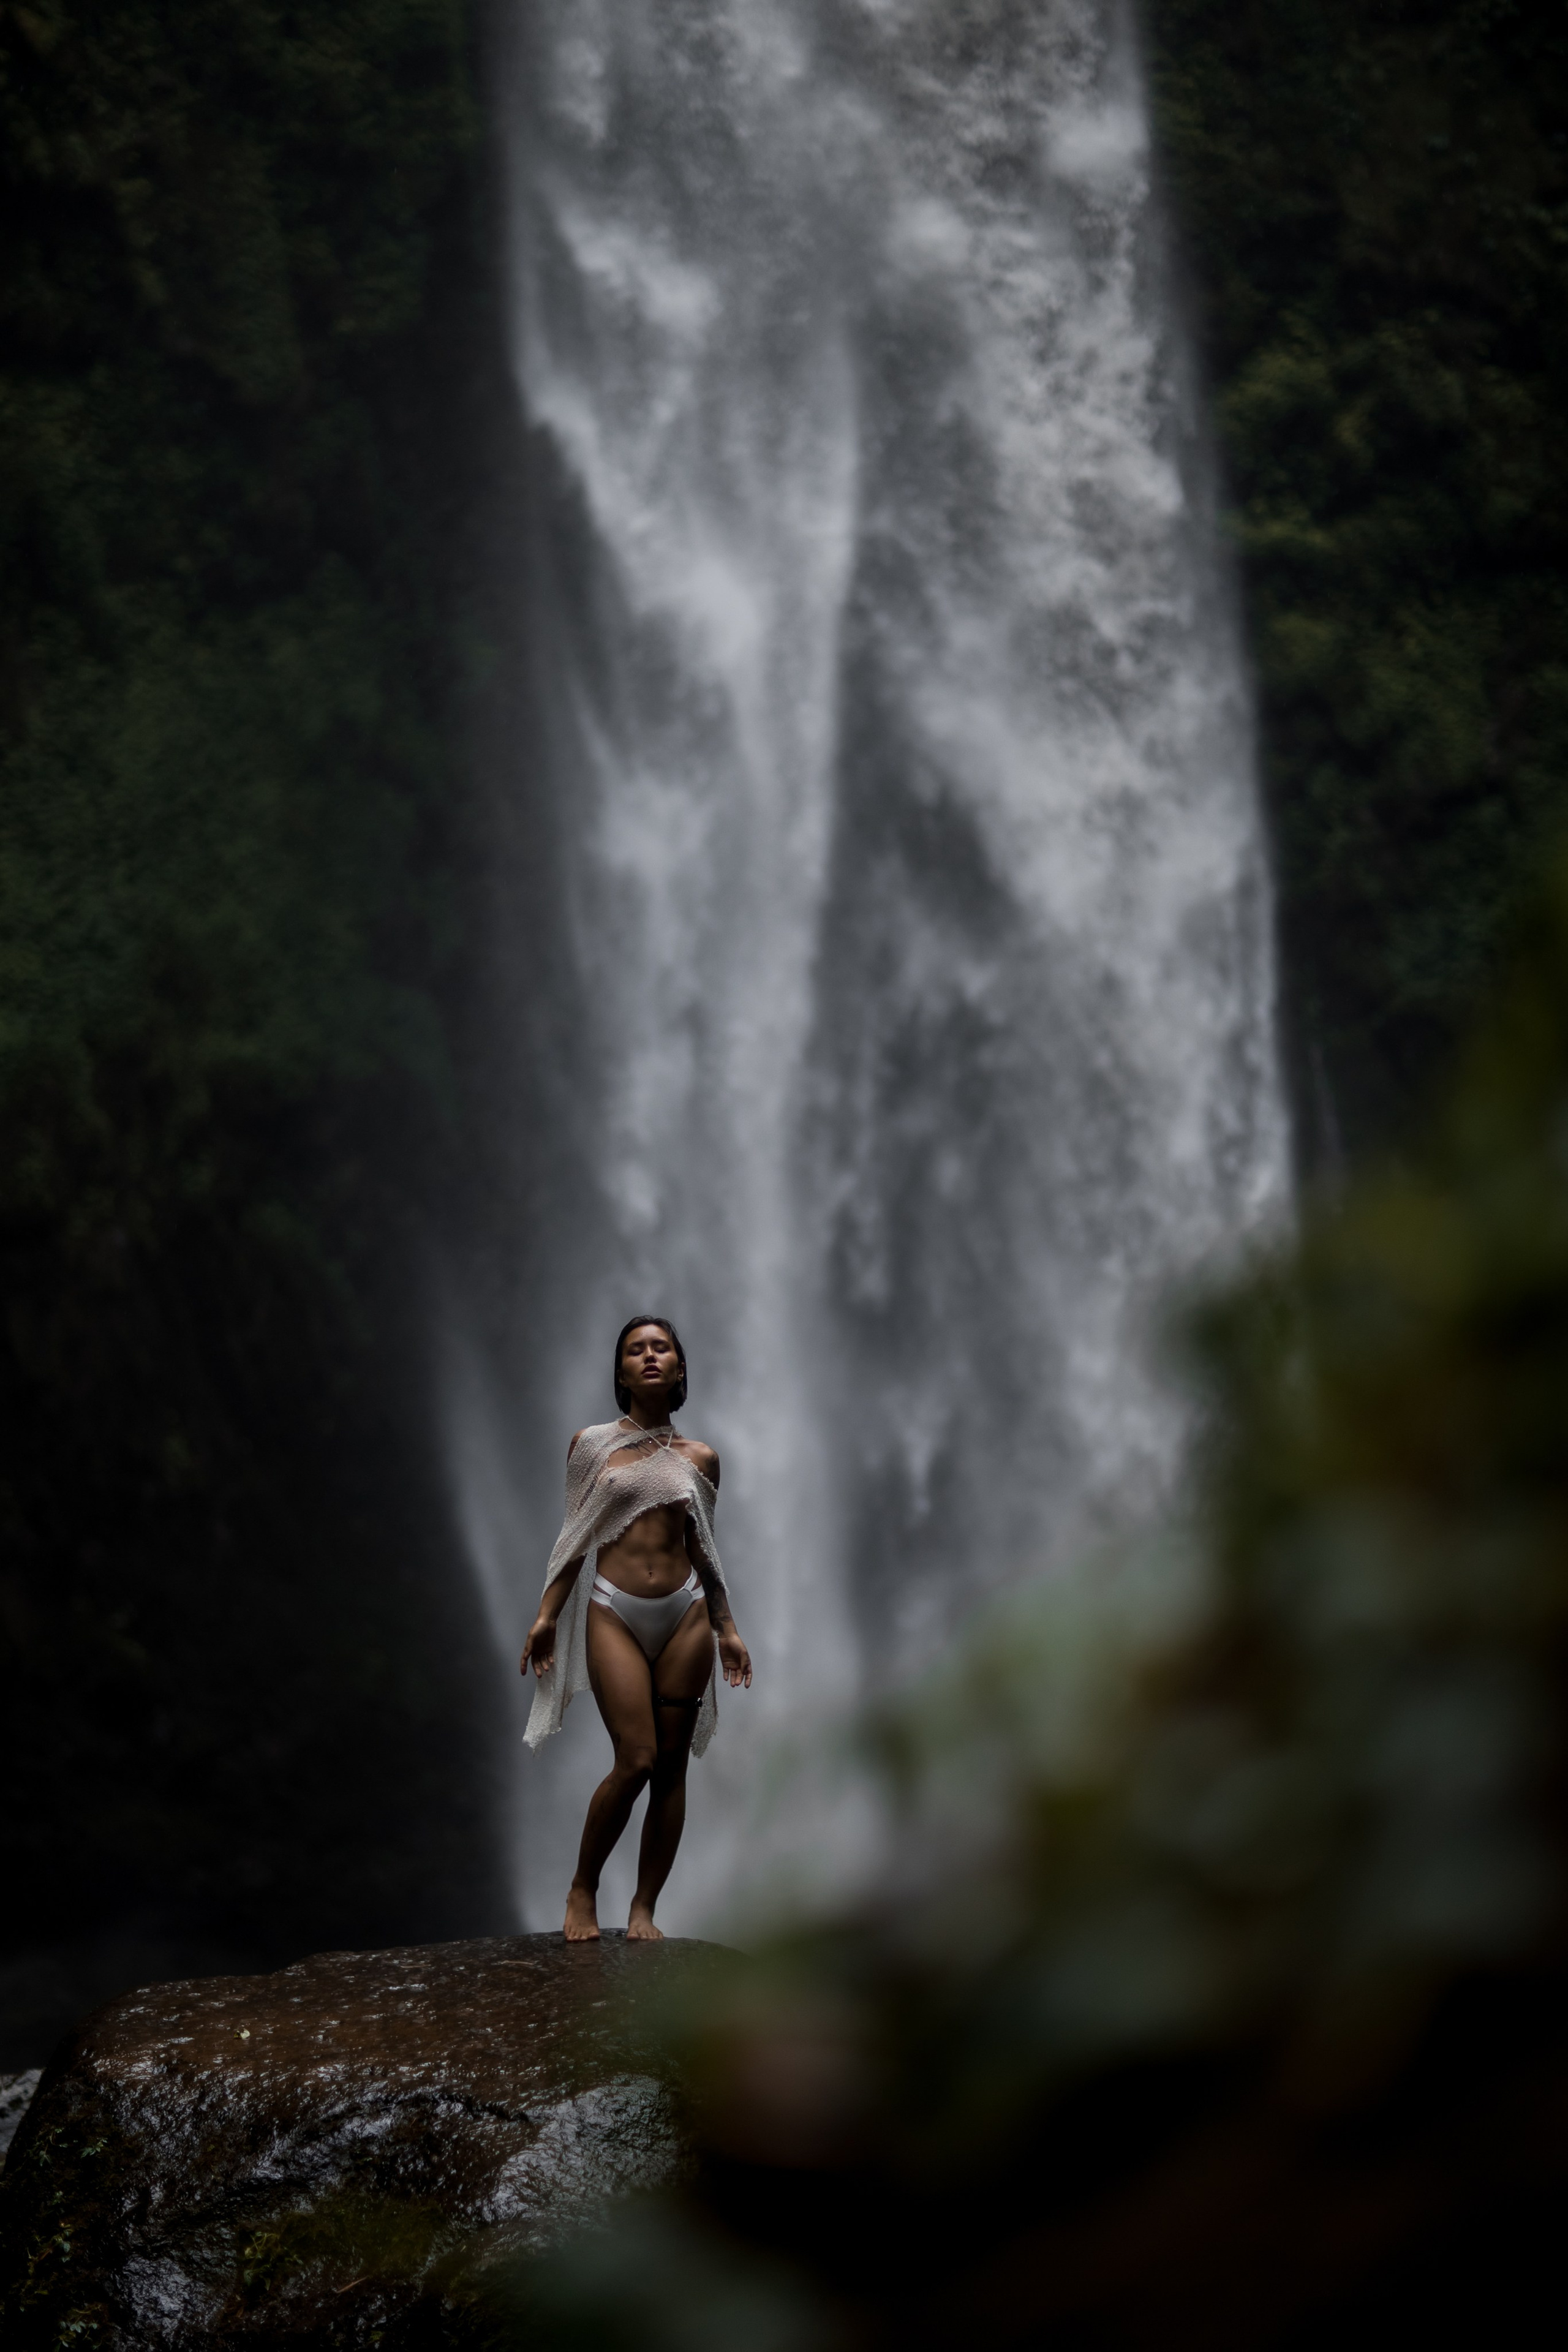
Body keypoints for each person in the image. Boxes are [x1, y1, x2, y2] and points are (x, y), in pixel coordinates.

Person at [520, 1317, 753, 1940]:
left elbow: (703, 1549)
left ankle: (645, 1908)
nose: (649, 1356)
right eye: (635, 1350)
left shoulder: (701, 1459)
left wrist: (727, 1628)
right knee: (637, 1759)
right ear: (620, 1371)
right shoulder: (591, 1448)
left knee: (672, 1768)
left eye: (662, 1348)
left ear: (679, 1368)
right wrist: (545, 1616)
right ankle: (582, 1888)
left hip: (687, 1612)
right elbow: (573, 1540)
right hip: (612, 1609)